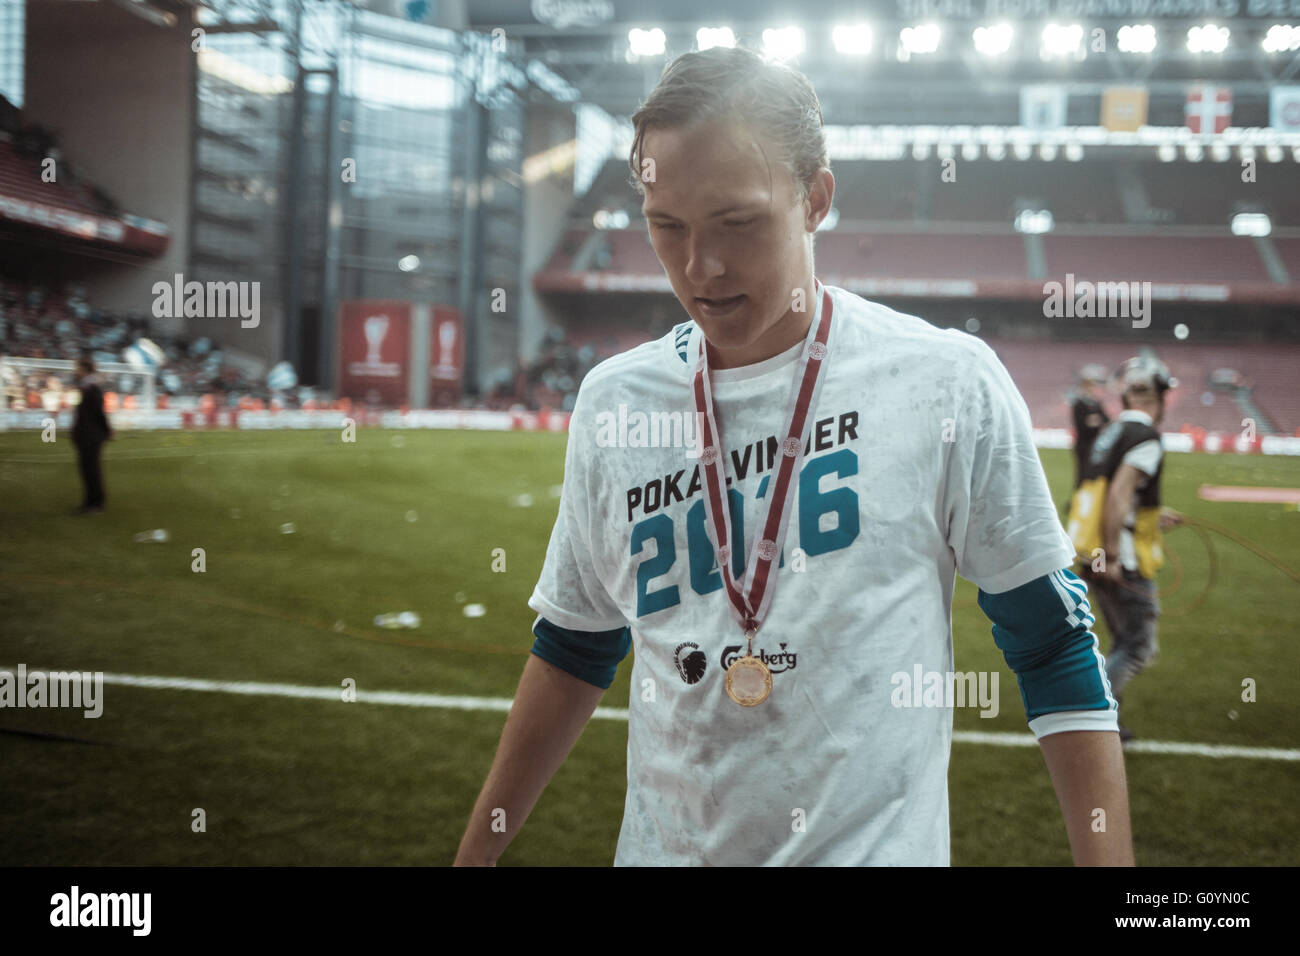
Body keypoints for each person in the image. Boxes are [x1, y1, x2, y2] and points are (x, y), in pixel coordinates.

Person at [456, 46, 1133, 867]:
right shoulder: (615, 403)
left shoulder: (944, 383)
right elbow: (575, 645)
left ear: (816, 199)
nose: (700, 267)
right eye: (666, 227)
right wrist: (478, 852)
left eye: (738, 223)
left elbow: (1052, 644)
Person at [1067, 357, 1181, 743]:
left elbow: (1109, 493)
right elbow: (1117, 495)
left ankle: (1097, 719)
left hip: (1089, 551)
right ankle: (1094, 720)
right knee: (1138, 647)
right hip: (1119, 558)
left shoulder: (1112, 432)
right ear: (1159, 396)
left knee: (1121, 642)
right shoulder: (1144, 437)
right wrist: (1113, 555)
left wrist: (1151, 513)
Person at [71, 355, 113, 514]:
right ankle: (90, 502)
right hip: (87, 435)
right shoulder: (86, 387)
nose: (75, 371)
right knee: (87, 470)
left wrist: (107, 430)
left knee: (91, 470)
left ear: (84, 369)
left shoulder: (92, 388)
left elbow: (98, 413)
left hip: (91, 435)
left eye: (77, 368)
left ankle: (95, 504)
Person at [1069, 364, 1110, 489]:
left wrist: (1094, 420)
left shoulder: (1095, 402)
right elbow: (1082, 424)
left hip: (1095, 444)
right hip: (1083, 444)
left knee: (1092, 474)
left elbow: (1106, 419)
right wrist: (1096, 421)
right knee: (1082, 473)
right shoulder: (1079, 403)